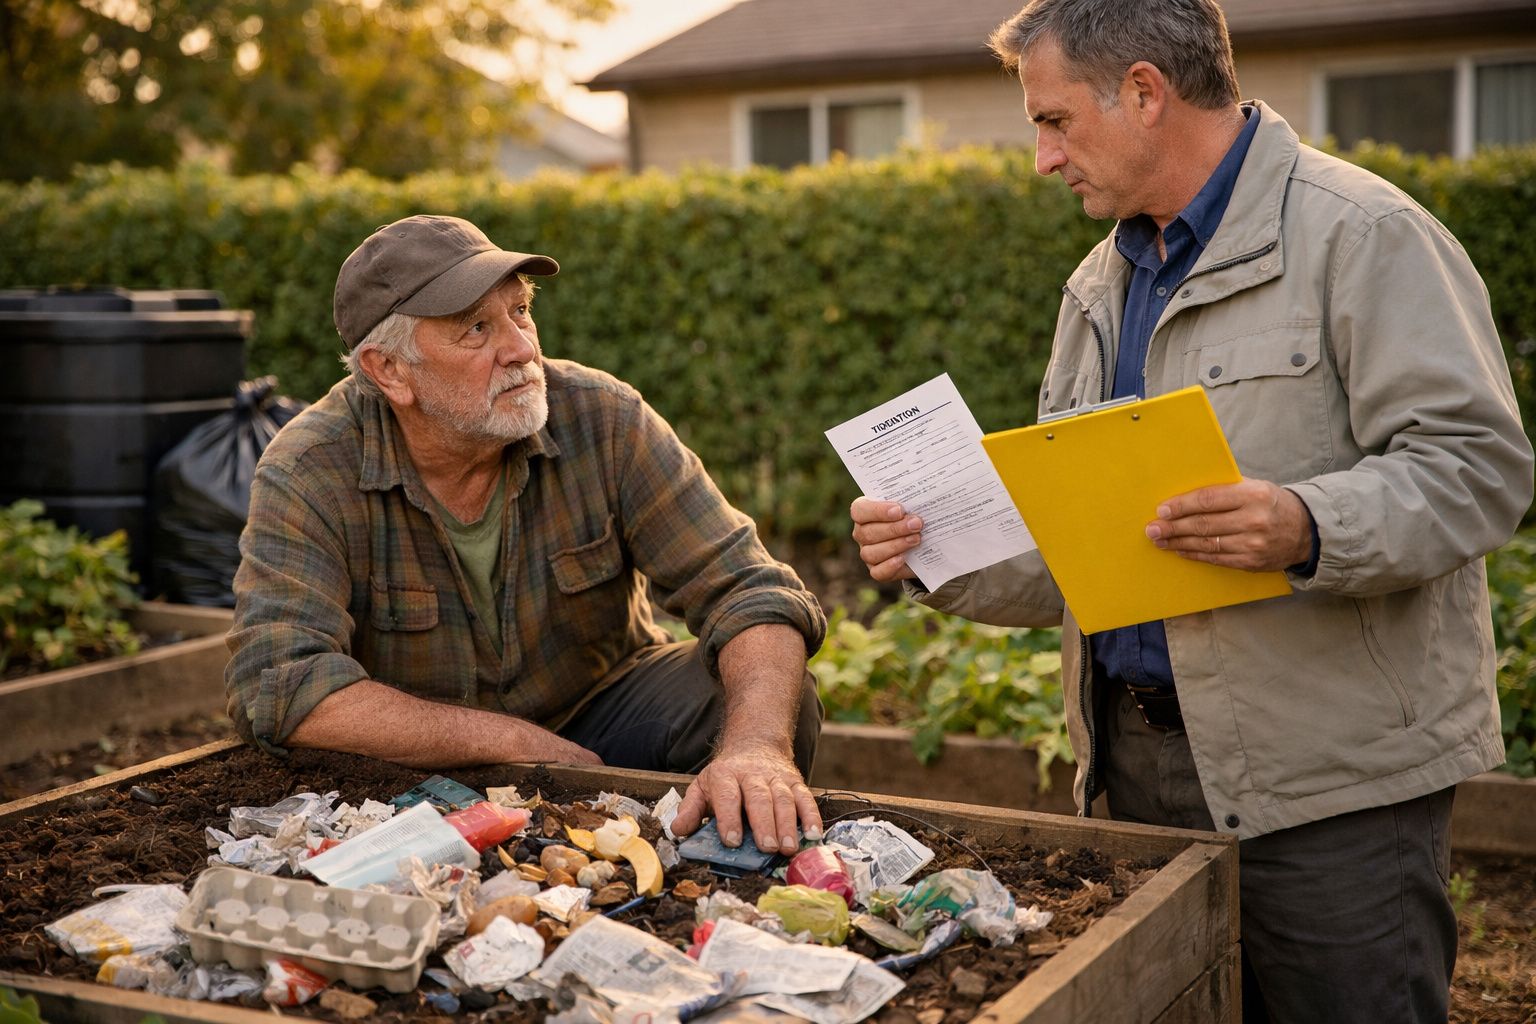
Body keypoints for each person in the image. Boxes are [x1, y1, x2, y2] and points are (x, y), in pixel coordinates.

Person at [849, 1, 1533, 1020]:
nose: (1042, 158)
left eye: (1054, 121)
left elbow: (1481, 468)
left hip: (1331, 791)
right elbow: (1096, 543)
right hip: (1136, 775)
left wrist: (1306, 524)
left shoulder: (1367, 236)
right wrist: (931, 549)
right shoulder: (1099, 283)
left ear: (1142, 92)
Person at [227, 214, 827, 852]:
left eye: (520, 312)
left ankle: (705, 867)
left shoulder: (602, 417)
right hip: (418, 768)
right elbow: (281, 683)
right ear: (389, 371)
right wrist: (512, 744)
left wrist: (757, 749)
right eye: (477, 329)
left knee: (756, 699)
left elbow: (748, 590)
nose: (519, 349)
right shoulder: (312, 469)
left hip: (597, 719)